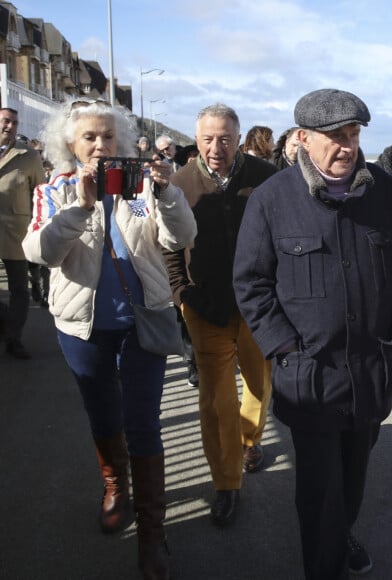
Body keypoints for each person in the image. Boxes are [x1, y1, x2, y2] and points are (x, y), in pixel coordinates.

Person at [233, 88, 392, 579]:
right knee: (320, 489)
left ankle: (341, 533)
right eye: (335, 136)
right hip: (309, 374)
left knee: (354, 476)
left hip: (372, 367)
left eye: (354, 134)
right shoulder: (273, 199)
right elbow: (250, 282)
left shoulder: (383, 190)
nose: (347, 146)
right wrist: (284, 348)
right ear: (302, 139)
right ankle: (324, 564)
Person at [21, 98, 197, 580]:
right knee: (102, 414)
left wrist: (168, 195)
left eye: (109, 136)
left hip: (145, 323)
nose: (100, 146)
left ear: (121, 141)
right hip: (83, 328)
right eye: (90, 138)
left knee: (144, 423)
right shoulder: (54, 190)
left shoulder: (142, 187)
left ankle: (152, 534)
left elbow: (182, 234)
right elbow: (41, 252)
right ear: (70, 145)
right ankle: (114, 485)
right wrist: (81, 206)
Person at [163, 103, 277, 527]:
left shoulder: (265, 179)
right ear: (196, 141)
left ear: (238, 138)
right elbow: (167, 244)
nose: (216, 148)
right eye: (208, 139)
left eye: (225, 139)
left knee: (259, 383)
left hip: (257, 306)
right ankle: (226, 483)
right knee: (214, 400)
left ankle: (250, 439)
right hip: (204, 307)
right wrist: (180, 294)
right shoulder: (177, 183)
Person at [0, 107, 45, 358]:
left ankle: (13, 338)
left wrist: (37, 226)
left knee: (19, 288)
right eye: (6, 121)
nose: (10, 126)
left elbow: (40, 194)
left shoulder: (28, 156)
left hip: (15, 231)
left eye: (15, 123)